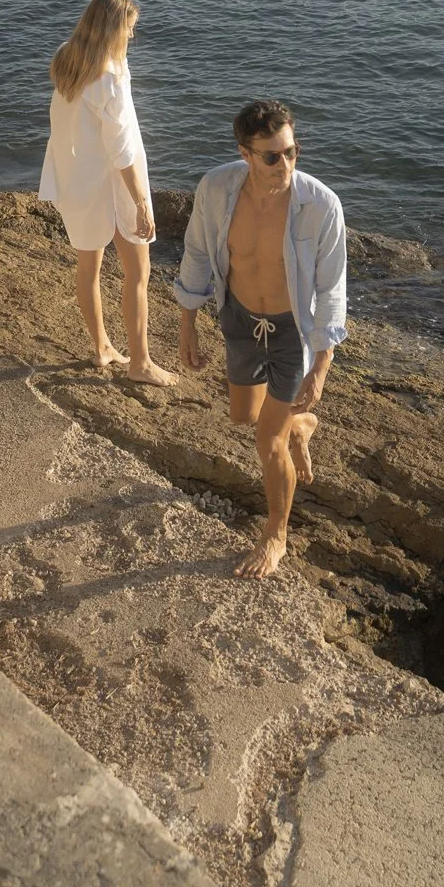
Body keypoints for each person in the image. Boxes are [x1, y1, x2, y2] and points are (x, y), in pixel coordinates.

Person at [175, 99, 347, 578]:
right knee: (244, 417)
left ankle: (276, 534)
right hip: (240, 320)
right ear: (245, 153)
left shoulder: (320, 206)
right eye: (271, 156)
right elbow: (195, 253)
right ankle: (300, 426)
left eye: (292, 152)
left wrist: (322, 364)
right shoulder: (215, 189)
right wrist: (187, 325)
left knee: (266, 441)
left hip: (294, 333)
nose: (285, 165)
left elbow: (332, 288)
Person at [39, 0, 176, 387]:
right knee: (138, 271)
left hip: (74, 177)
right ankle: (140, 362)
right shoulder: (110, 78)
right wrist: (141, 203)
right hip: (110, 183)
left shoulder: (69, 56)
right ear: (114, 29)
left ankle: (102, 348)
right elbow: (122, 150)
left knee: (89, 267)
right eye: (130, 29)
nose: (133, 36)